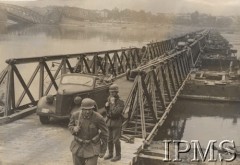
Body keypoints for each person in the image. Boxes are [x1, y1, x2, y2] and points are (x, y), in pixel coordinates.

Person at [68, 98, 108, 165]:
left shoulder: (99, 118)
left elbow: (105, 134)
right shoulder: (75, 115)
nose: (87, 111)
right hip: (78, 146)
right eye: (85, 109)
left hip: (92, 147)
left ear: (93, 108)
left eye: (90, 109)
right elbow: (70, 126)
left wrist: (103, 150)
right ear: (82, 108)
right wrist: (74, 129)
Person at [104, 84, 124, 162]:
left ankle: (118, 155)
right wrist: (106, 106)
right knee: (109, 139)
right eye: (110, 92)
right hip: (109, 122)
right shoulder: (109, 98)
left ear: (116, 92)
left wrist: (112, 104)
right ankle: (110, 153)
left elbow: (116, 113)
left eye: (113, 92)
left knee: (116, 140)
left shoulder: (120, 101)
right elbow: (107, 112)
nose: (111, 94)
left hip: (116, 122)